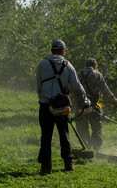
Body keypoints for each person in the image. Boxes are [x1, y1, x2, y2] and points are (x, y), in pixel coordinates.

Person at [36, 40, 90, 175]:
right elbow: (77, 87)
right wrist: (85, 102)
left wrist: (44, 99)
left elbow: (39, 86)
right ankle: (68, 165)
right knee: (64, 135)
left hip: (45, 105)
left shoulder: (42, 64)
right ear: (63, 50)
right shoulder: (68, 65)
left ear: (51, 50)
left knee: (46, 136)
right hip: (62, 105)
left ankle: (46, 167)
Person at [76, 58, 117, 151]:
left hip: (81, 106)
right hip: (93, 106)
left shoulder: (79, 74)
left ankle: (86, 147)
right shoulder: (97, 74)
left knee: (82, 128)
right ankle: (96, 148)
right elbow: (105, 90)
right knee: (97, 128)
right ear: (95, 65)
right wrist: (115, 101)